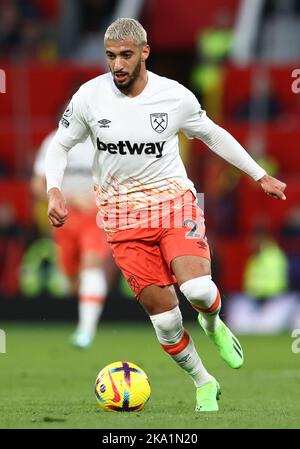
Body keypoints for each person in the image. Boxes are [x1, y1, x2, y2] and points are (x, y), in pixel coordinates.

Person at [45, 18, 287, 412]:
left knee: (199, 291)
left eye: (125, 55)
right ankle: (203, 381)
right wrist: (53, 188)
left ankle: (212, 323)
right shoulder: (90, 97)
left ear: (144, 52)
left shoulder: (174, 97)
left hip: (174, 203)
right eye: (110, 56)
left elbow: (212, 134)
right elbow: (60, 146)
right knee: (167, 322)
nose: (117, 65)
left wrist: (259, 175)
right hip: (121, 217)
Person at [32, 130, 111, 349]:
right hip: (65, 217)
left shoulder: (106, 139)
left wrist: (100, 200)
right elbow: (38, 184)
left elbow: (121, 179)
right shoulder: (54, 142)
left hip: (95, 215)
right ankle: (86, 312)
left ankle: (86, 331)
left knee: (92, 263)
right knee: (72, 277)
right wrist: (65, 199)